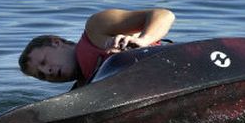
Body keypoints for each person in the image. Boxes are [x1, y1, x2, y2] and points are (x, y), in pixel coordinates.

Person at [18, 8, 175, 88]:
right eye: (41, 75)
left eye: (44, 62)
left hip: (173, 69)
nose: (47, 72)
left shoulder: (96, 28)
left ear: (56, 42)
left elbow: (164, 14)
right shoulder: (83, 93)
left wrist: (143, 40)